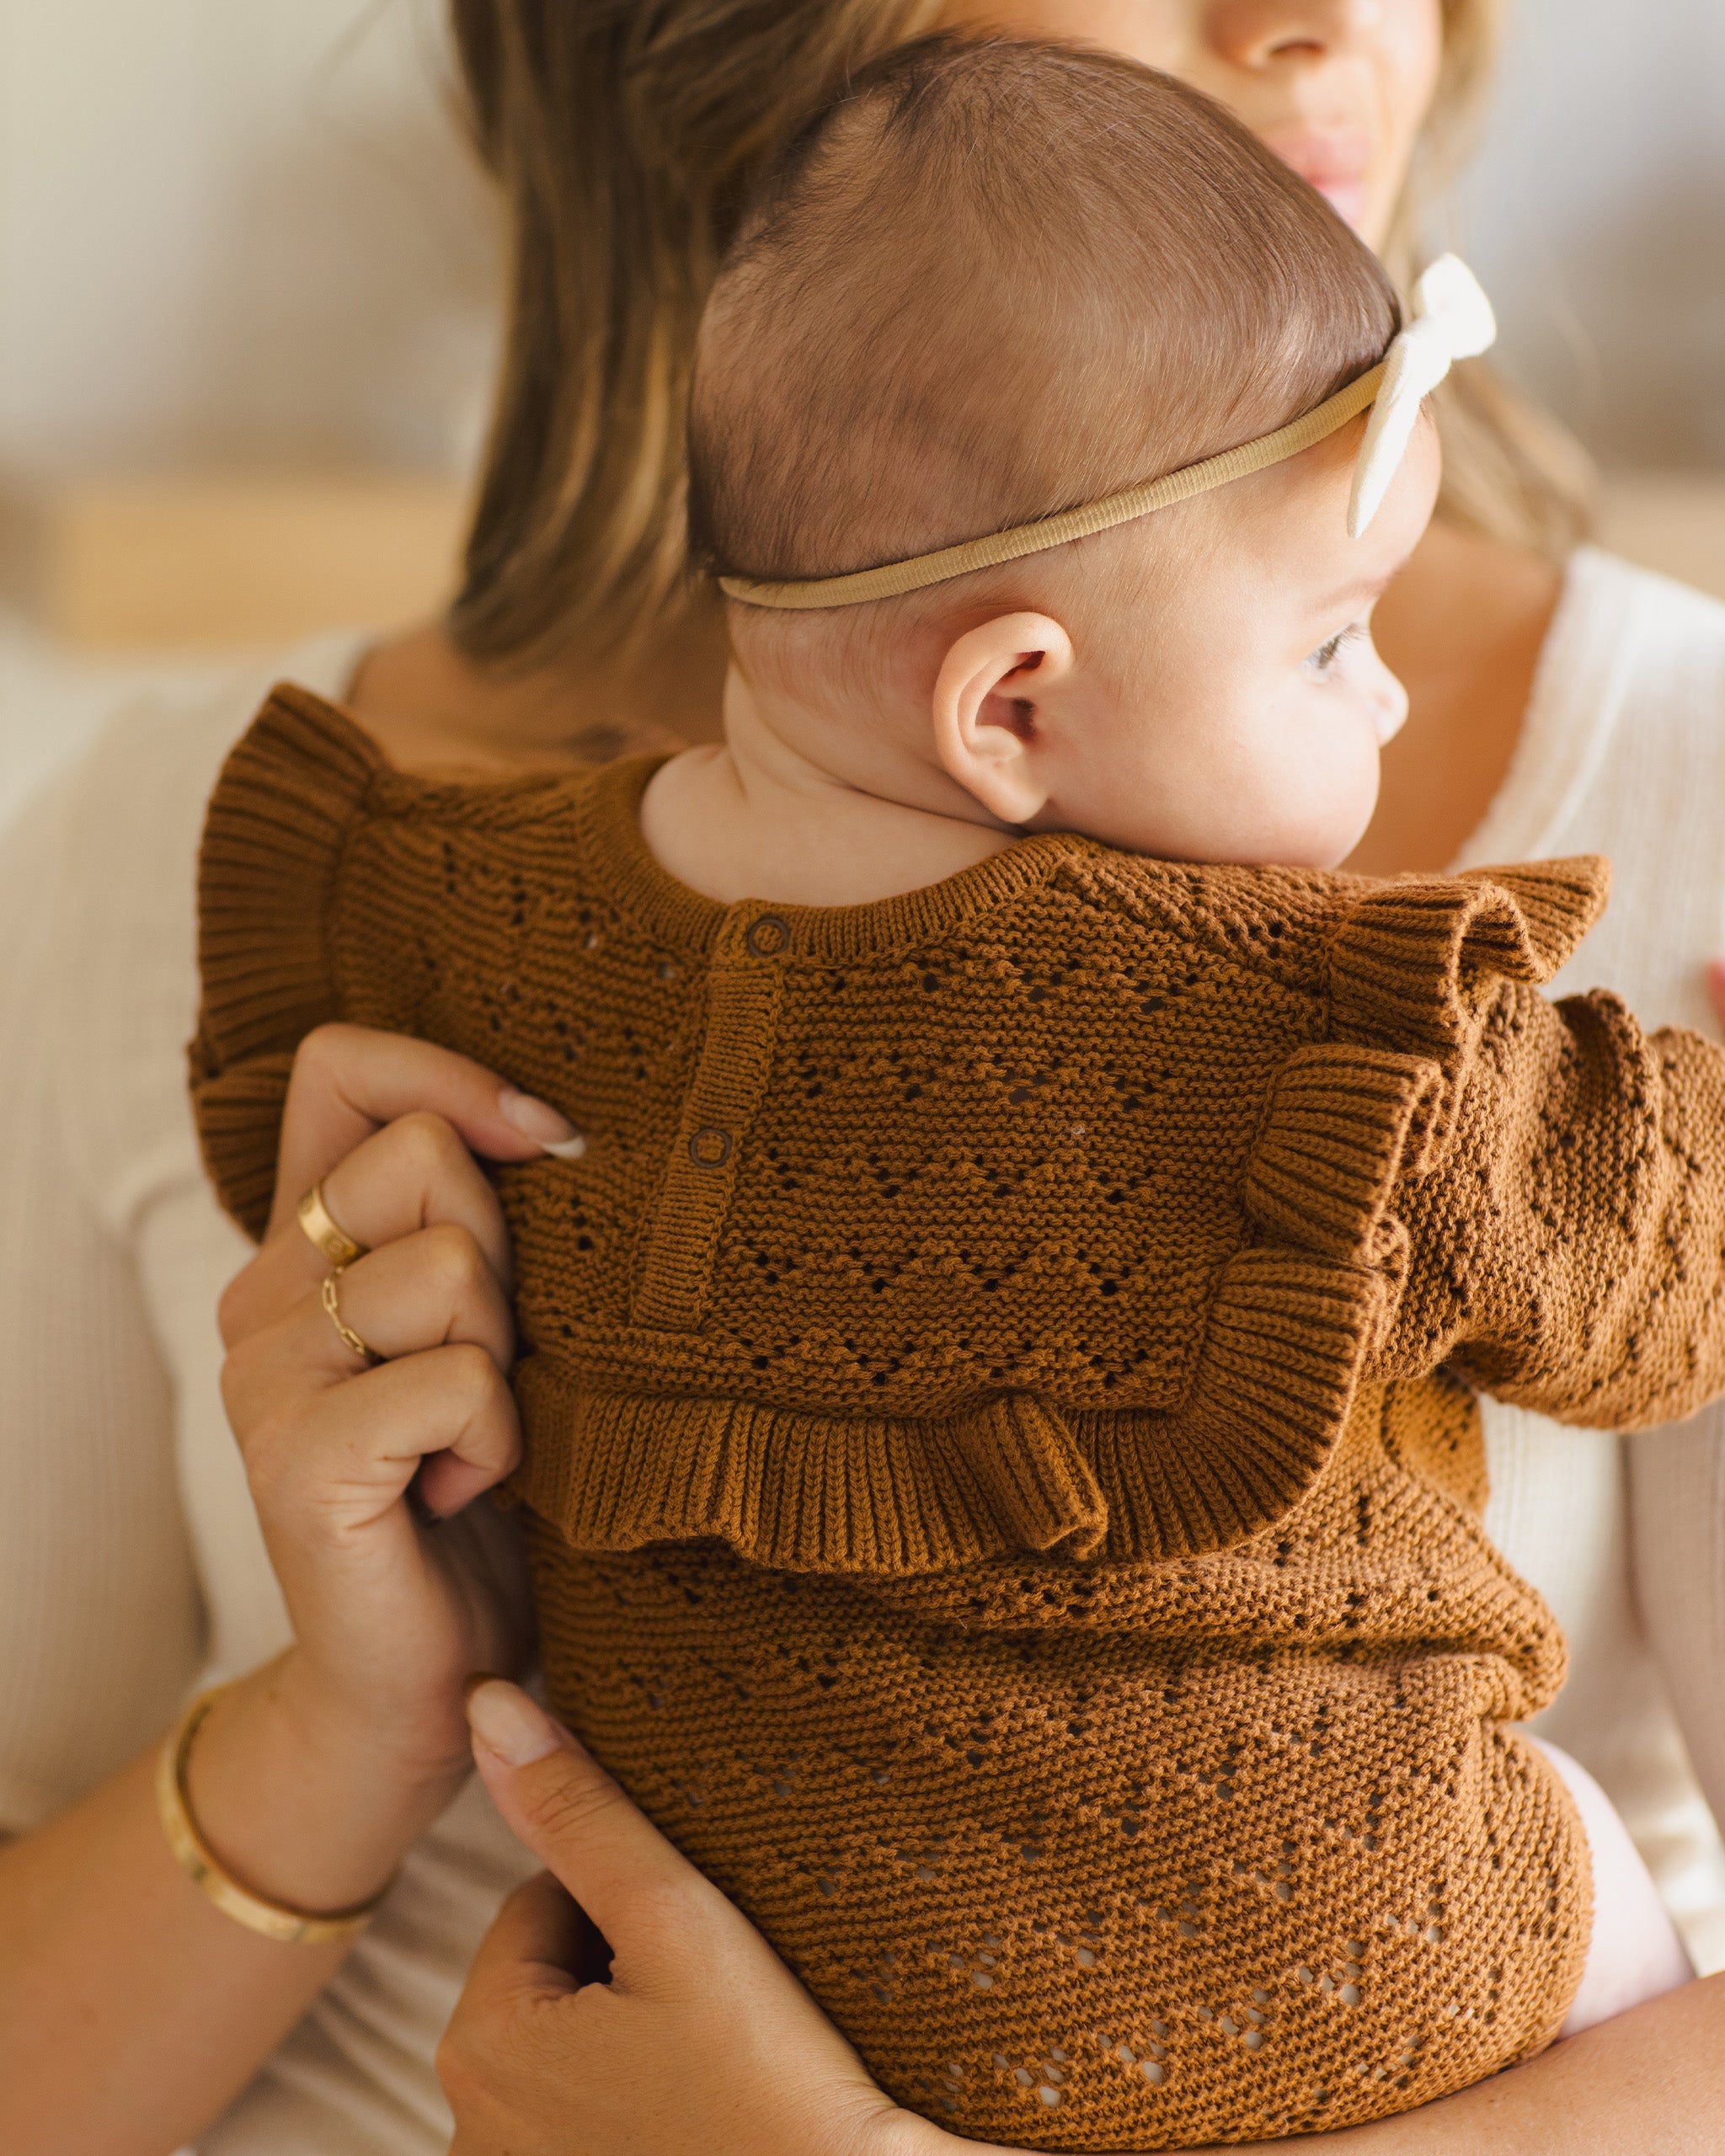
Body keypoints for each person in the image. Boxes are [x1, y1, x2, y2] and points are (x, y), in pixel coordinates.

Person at [0, 3, 1722, 2152]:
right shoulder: (112, 861)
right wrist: (349, 1717)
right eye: (1318, 639)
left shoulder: (1695, 776)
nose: (1317, 16)